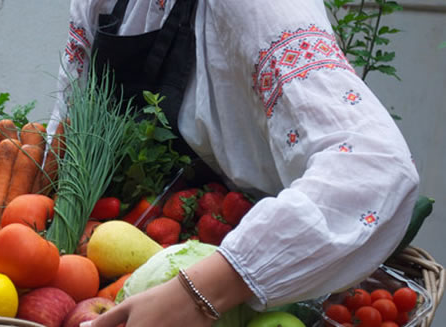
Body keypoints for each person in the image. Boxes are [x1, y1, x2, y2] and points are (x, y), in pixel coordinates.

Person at [47, 0, 420, 326]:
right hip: (130, 246)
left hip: (255, 278)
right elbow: (69, 130)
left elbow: (375, 165)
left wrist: (200, 295)